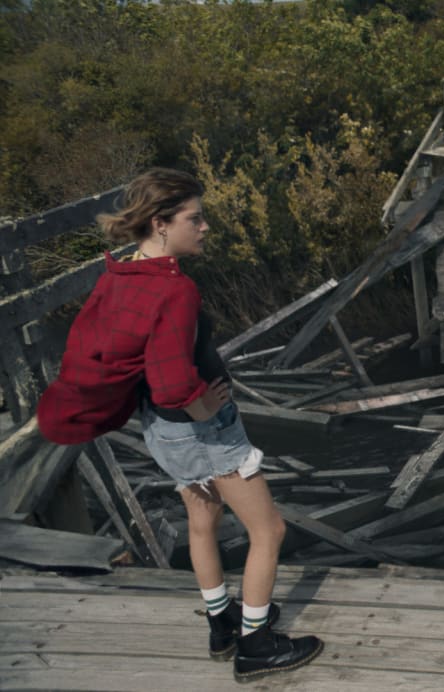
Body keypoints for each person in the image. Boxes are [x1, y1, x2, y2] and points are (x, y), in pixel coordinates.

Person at [36, 168, 323, 683]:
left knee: (202, 520)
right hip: (201, 430)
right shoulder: (175, 290)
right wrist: (205, 408)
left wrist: (184, 408)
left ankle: (221, 622)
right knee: (269, 529)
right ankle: (256, 645)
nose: (206, 226)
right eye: (196, 218)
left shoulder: (121, 274)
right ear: (161, 223)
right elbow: (172, 383)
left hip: (162, 432)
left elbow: (125, 355)